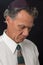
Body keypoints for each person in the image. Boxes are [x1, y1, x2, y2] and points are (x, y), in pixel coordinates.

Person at [0, 0, 40, 65]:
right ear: (8, 20)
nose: (26, 33)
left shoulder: (32, 47)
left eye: (29, 28)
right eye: (22, 27)